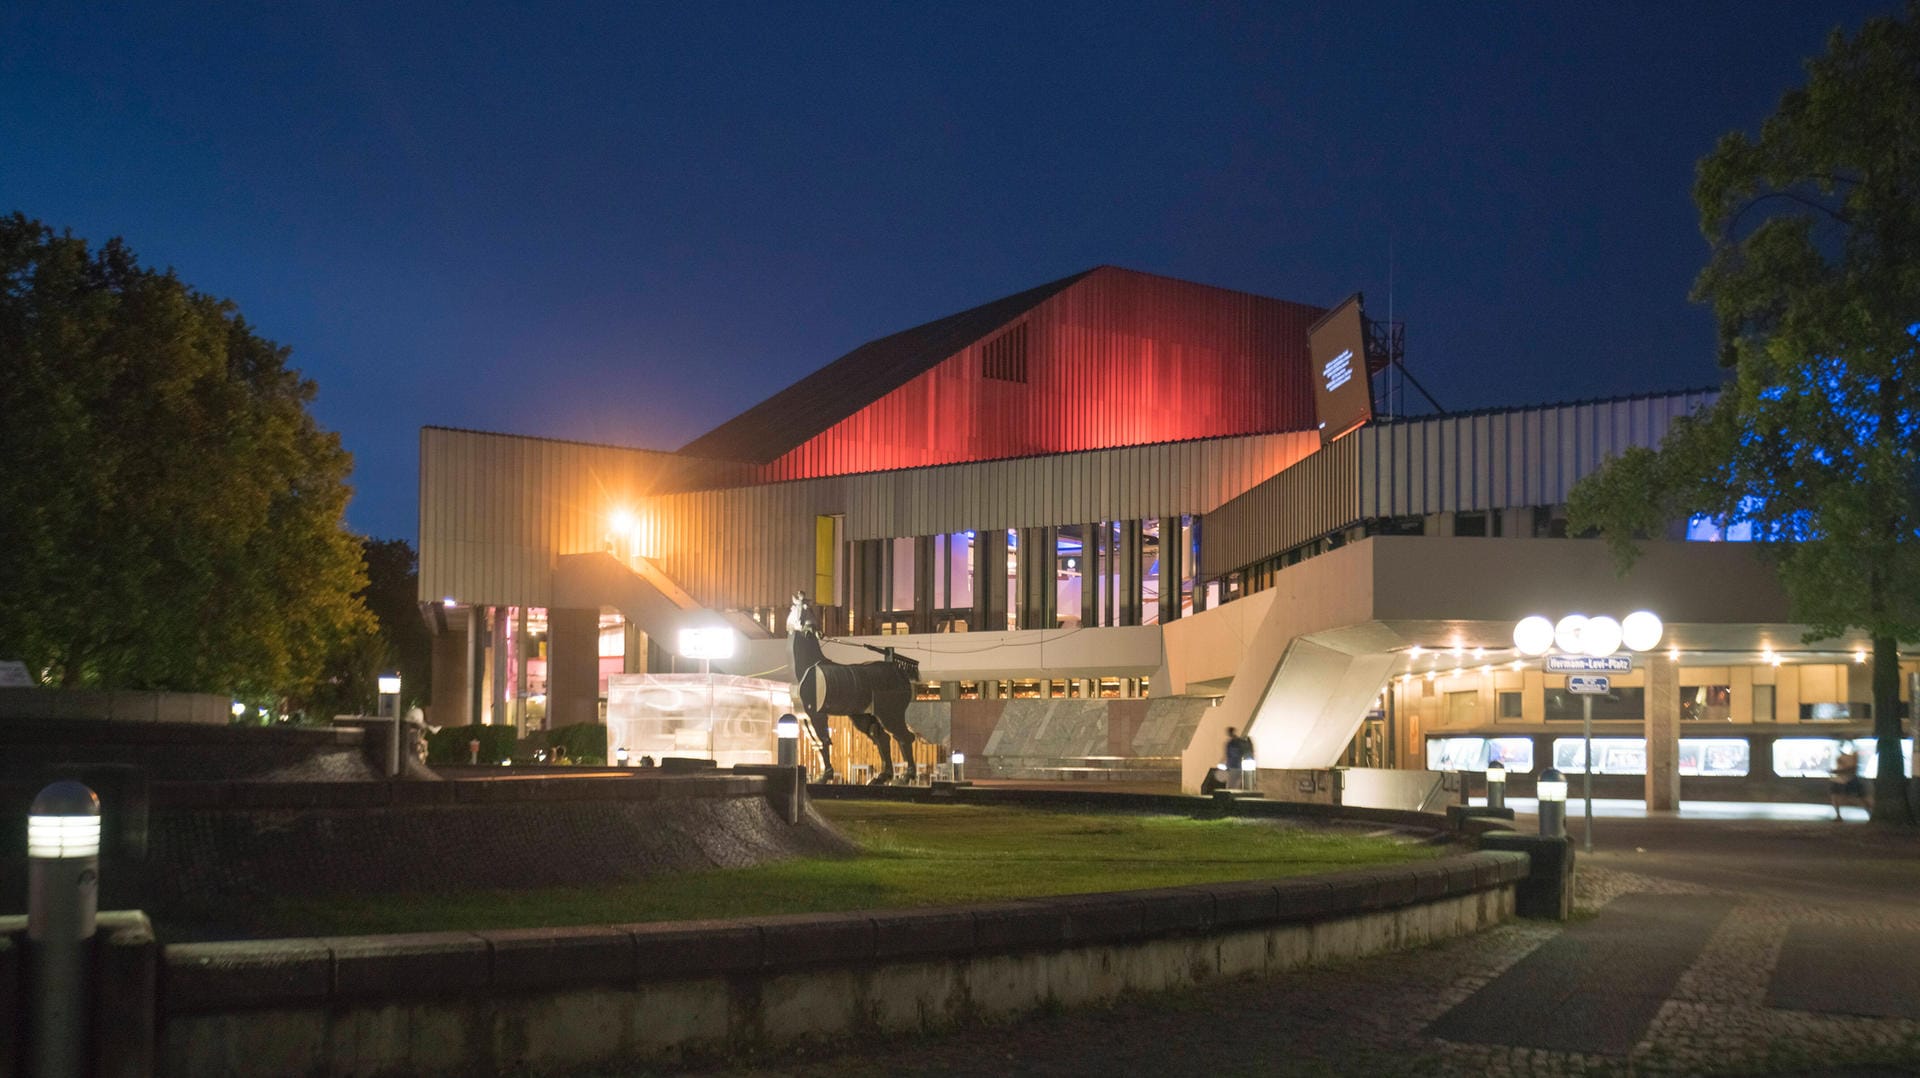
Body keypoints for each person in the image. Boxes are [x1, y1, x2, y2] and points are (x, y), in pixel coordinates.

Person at [1830, 740, 1872, 820]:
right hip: (1840, 779)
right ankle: (1838, 815)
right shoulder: (1842, 757)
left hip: (1848, 779)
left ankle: (1870, 813)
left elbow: (1852, 769)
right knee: (1835, 797)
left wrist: (1836, 771)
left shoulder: (1852, 755)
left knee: (1859, 798)